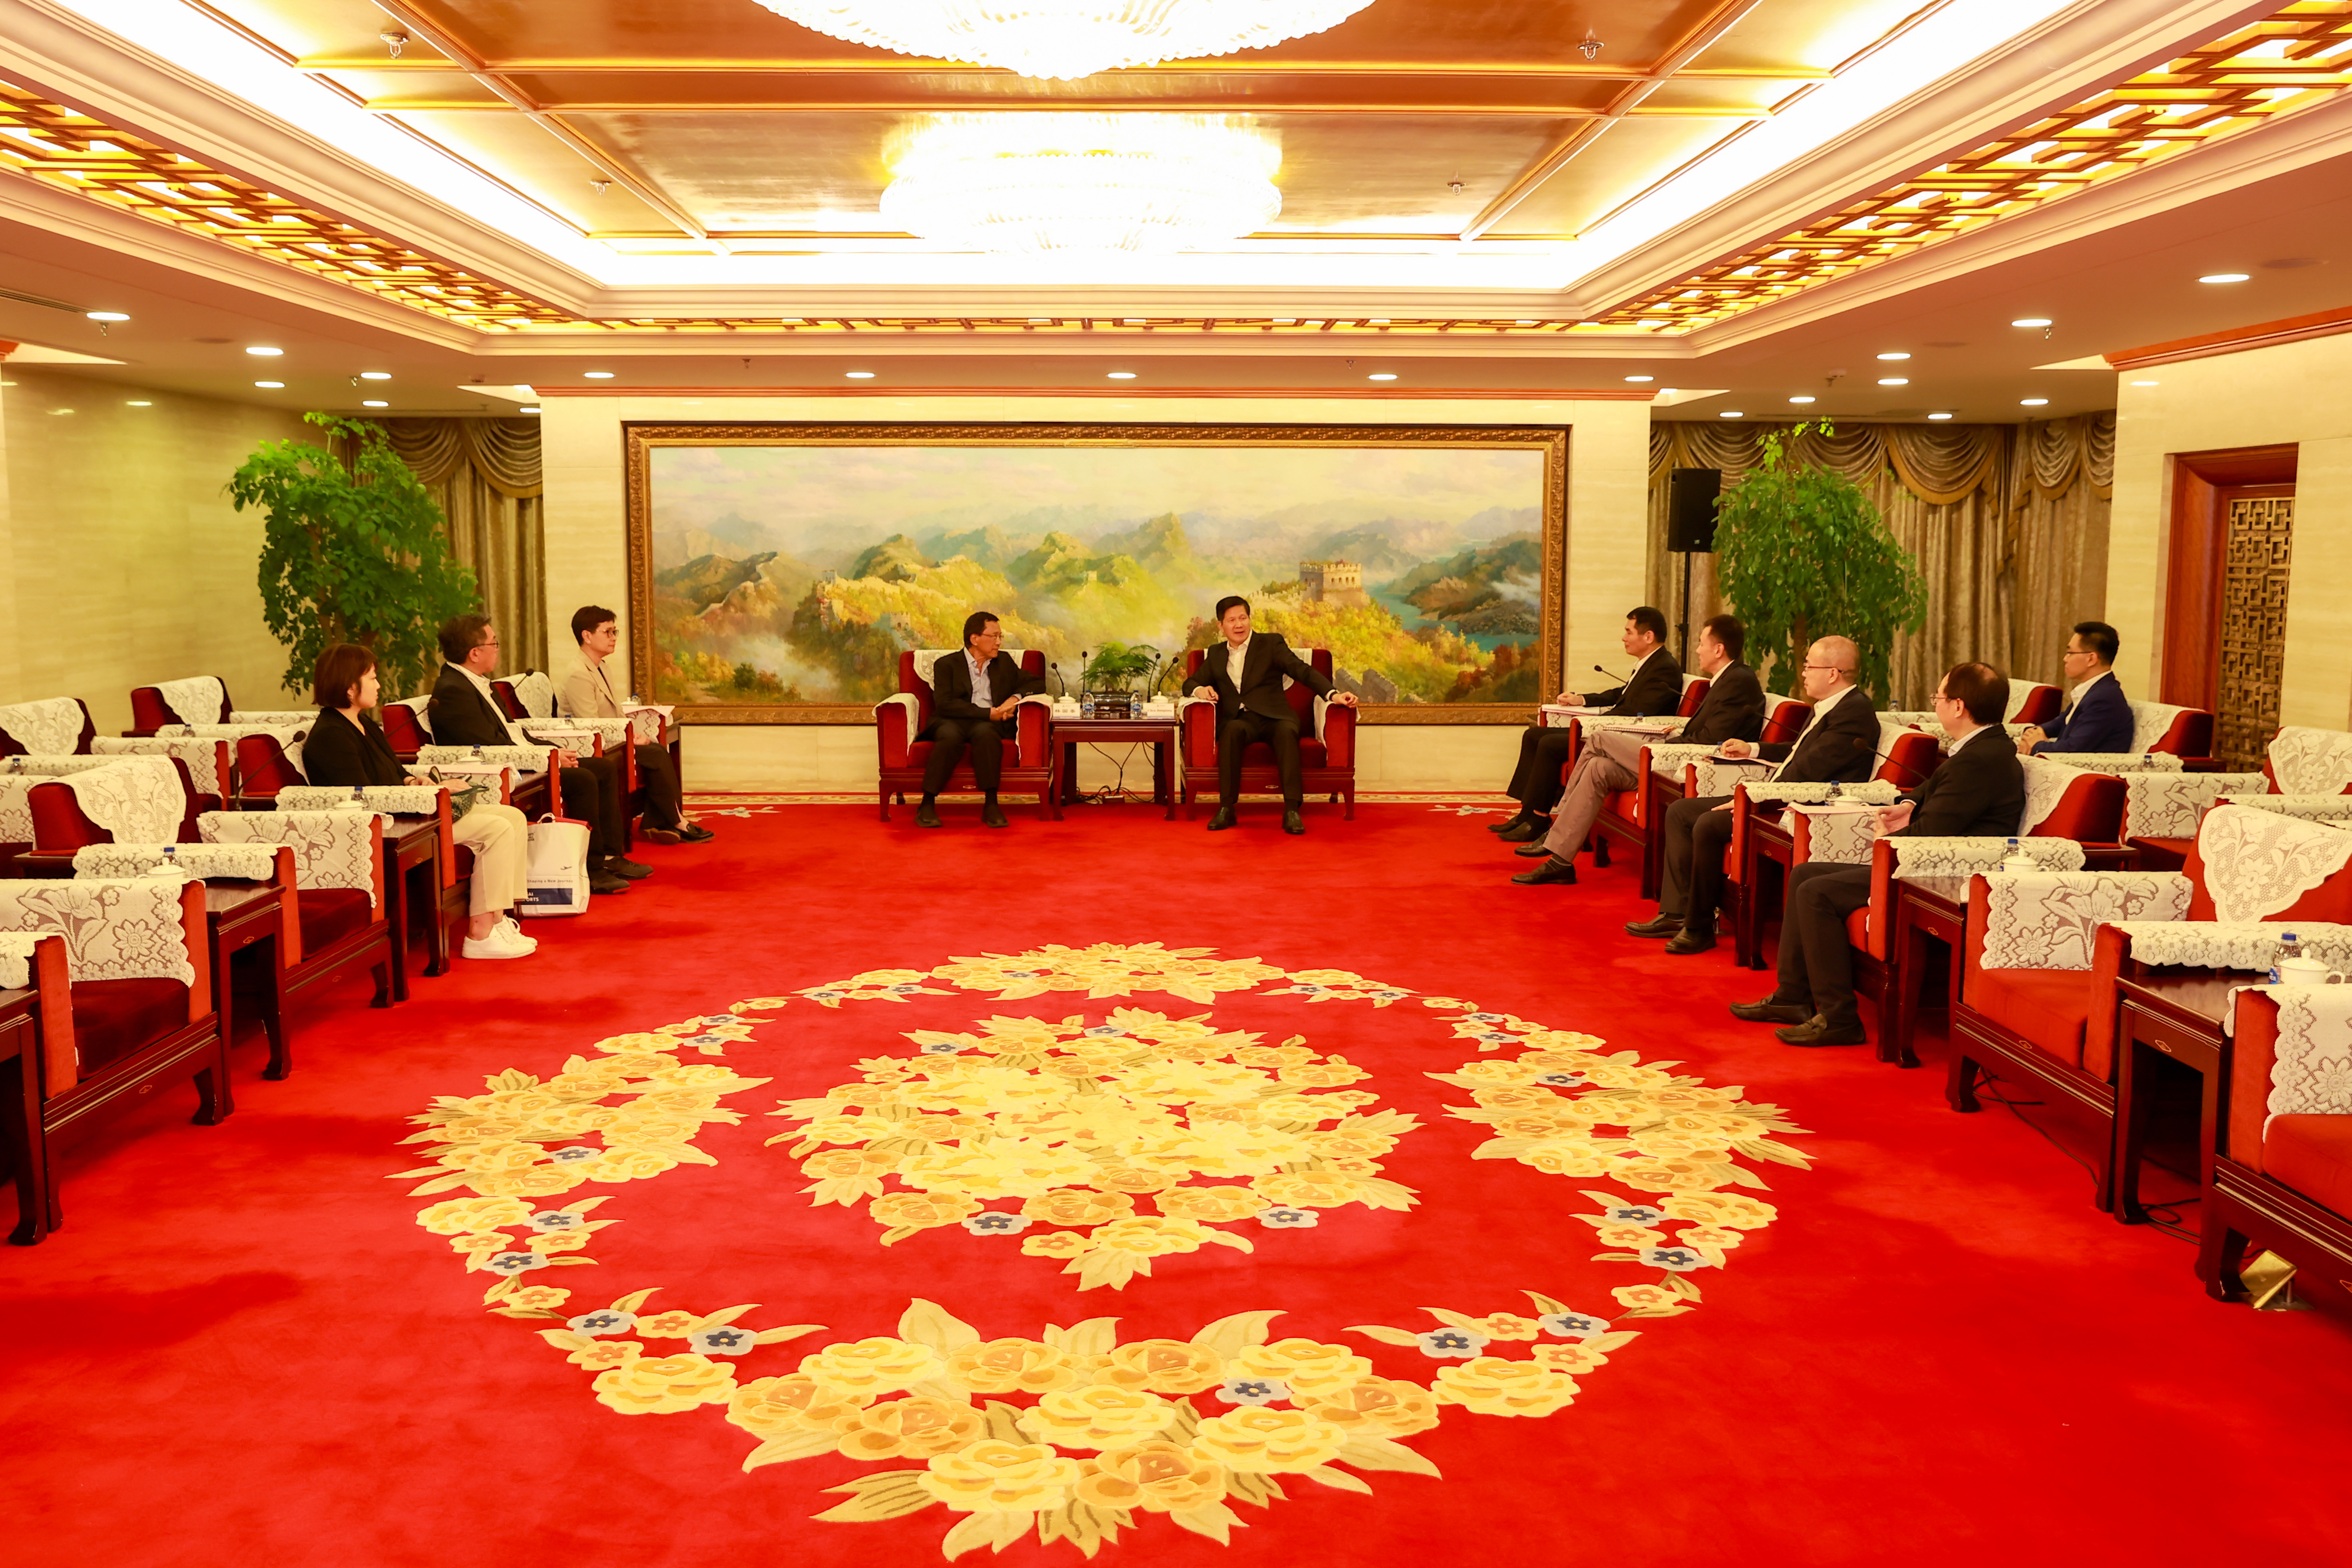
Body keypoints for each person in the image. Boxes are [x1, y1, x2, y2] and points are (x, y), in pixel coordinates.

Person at [1731, 661, 2027, 1047]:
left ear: (1958, 706)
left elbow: (1932, 832)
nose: (1936, 703)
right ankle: (1792, 997)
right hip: (1935, 859)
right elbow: (1932, 792)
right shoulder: (1980, 748)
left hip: (1946, 874)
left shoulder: (1980, 759)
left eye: (1939, 697)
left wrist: (1889, 838)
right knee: (1805, 874)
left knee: (1816, 893)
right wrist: (1907, 805)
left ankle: (1839, 1018)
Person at [1626, 634, 1880, 952]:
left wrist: (1752, 799)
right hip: (1779, 792)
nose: (1803, 673)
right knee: (1681, 811)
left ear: (1833, 673)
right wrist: (1754, 748)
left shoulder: (1853, 713)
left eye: (1809, 667)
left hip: (1803, 806)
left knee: (1708, 823)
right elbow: (1798, 752)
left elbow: (1811, 771)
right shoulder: (1832, 706)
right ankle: (1676, 913)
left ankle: (1699, 927)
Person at [303, 642, 536, 961]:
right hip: (391, 825)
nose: (379, 685)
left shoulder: (363, 723)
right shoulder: (331, 735)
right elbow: (362, 797)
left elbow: (394, 773)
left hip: (409, 810)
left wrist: (415, 782)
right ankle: (481, 934)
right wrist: (429, 794)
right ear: (349, 687)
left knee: (512, 817)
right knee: (496, 830)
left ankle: (498, 919)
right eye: (372, 678)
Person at [1511, 614, 1767, 886]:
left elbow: (1712, 739)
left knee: (1599, 739)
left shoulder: (1738, 681)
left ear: (1719, 649)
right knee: (1599, 768)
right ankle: (1560, 863)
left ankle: (1558, 822)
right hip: (1676, 755)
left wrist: (1664, 746)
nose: (1697, 650)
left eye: (1702, 643)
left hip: (1688, 765)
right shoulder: (1726, 679)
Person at [427, 613, 646, 896]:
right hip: (496, 771)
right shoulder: (453, 690)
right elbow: (489, 746)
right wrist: (547, 759)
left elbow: (513, 732)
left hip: (519, 758)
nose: (498, 649)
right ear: (475, 653)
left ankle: (609, 856)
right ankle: (592, 870)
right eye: (494, 643)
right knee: (582, 779)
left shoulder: (478, 681)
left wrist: (553, 751)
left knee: (602, 768)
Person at [1491, 606, 1683, 843]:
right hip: (1612, 728)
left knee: (1550, 744)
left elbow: (1640, 711)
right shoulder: (1650, 663)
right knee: (1534, 735)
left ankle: (1539, 819)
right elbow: (1621, 695)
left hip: (1628, 739)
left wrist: (1595, 722)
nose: (1623, 638)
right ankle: (1527, 812)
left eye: (1629, 632)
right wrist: (1581, 700)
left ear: (1648, 637)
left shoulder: (1664, 668)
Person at [1179, 595, 1357, 835]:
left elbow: (1302, 671)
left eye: (1243, 618)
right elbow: (1190, 683)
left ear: (1249, 619)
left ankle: (1292, 810)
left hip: (1276, 717)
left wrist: (1333, 695)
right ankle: (1227, 808)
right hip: (1241, 720)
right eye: (1232, 620)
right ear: (1221, 626)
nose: (1239, 625)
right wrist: (1200, 690)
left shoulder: (1271, 644)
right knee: (1231, 731)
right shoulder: (1217, 653)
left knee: (1287, 733)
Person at [559, 605, 713, 845]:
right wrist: (629, 738)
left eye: (615, 632)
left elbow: (616, 713)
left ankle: (661, 821)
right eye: (607, 632)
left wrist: (634, 734)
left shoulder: (601, 667)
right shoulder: (578, 673)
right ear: (587, 636)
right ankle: (673, 821)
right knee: (654, 754)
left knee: (656, 750)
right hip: (592, 746)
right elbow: (590, 724)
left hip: (612, 740)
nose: (613, 638)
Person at [916, 610, 1046, 828]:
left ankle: (991, 805)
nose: (999, 642)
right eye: (994, 636)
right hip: (951, 720)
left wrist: (1014, 699)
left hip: (987, 724)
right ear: (975, 639)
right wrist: (988, 713)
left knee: (987, 735)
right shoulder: (946, 665)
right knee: (950, 738)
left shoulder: (1003, 662)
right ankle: (927, 803)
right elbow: (945, 704)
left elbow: (1037, 683)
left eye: (1000, 636)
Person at [2018, 621, 2132, 755]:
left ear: (2091, 659)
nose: (2065, 659)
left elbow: (2073, 749)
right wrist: (2035, 733)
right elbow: (2063, 722)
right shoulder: (2095, 690)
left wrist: (2037, 746)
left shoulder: (2105, 699)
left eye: (2070, 653)